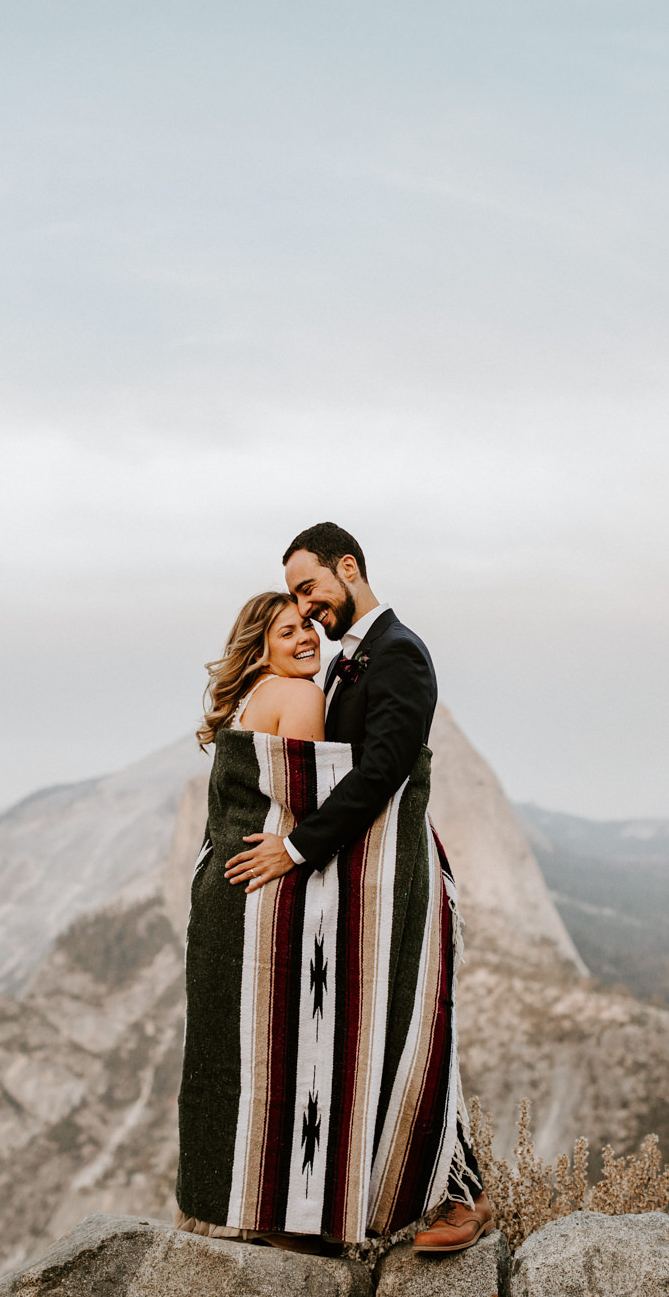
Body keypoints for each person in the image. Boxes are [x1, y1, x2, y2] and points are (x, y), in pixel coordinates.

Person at [176, 523, 493, 1255]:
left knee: (413, 1029)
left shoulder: (402, 656)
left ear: (348, 568)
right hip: (351, 881)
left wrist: (293, 847)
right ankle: (329, 1204)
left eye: (310, 589)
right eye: (292, 602)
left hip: (391, 876)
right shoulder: (347, 664)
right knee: (361, 1036)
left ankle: (461, 1196)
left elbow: (380, 773)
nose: (309, 609)